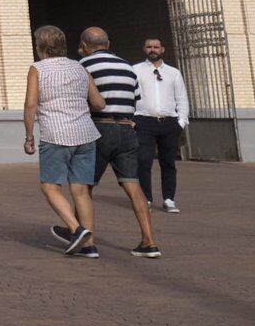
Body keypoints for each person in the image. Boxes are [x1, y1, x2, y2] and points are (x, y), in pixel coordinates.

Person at [78, 28, 162, 258]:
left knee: (83, 187)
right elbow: (136, 101)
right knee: (133, 185)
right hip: (126, 129)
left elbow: (81, 98)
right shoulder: (127, 67)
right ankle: (149, 241)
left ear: (85, 44)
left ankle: (87, 242)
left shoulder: (83, 65)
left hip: (98, 127)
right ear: (108, 42)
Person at [22, 24, 103, 256]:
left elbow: (31, 104)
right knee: (81, 191)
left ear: (40, 47)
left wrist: (29, 135)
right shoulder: (80, 67)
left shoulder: (38, 69)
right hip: (86, 134)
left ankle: (76, 229)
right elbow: (98, 102)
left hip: (56, 134)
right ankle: (89, 246)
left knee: (49, 185)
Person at [133, 38, 189, 211]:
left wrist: (181, 121)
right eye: (149, 46)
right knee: (143, 161)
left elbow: (181, 98)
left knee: (168, 162)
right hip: (144, 121)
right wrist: (132, 120)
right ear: (144, 49)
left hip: (169, 123)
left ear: (162, 49)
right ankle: (146, 199)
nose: (152, 50)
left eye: (156, 47)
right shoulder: (135, 70)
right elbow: (130, 95)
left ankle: (169, 199)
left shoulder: (173, 73)